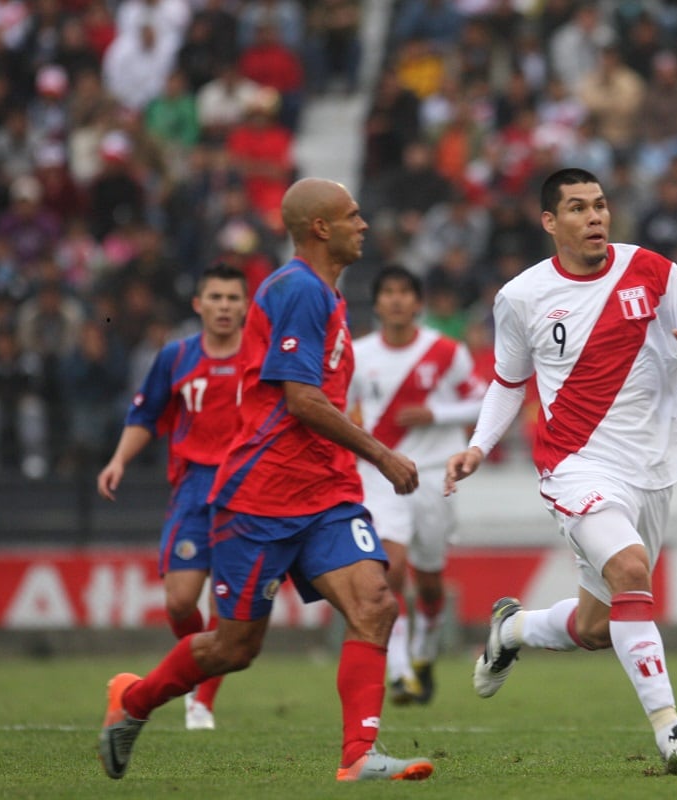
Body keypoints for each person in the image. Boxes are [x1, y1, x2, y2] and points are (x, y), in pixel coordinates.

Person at [97, 178, 434, 782]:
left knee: (376, 604)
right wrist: (382, 455)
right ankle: (134, 701)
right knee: (234, 648)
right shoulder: (298, 290)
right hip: (263, 496)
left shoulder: (327, 295)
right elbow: (301, 399)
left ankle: (358, 757)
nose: (364, 225)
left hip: (326, 493)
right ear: (321, 228)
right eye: (353, 216)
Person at [444, 167, 677, 772]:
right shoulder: (521, 297)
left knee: (598, 627)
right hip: (574, 466)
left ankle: (513, 630)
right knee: (631, 570)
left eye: (600, 205)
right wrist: (477, 446)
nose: (595, 217)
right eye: (578, 208)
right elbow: (507, 382)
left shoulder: (652, 271)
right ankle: (670, 730)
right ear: (550, 222)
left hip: (653, 467)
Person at [97, 263, 249, 731]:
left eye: (233, 298)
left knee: (229, 614)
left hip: (246, 490)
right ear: (198, 304)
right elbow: (145, 415)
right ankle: (194, 672)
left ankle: (200, 699)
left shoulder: (262, 358)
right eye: (216, 297)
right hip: (193, 488)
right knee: (181, 602)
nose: (224, 306)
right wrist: (119, 459)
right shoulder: (176, 356)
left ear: (246, 306)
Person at [346, 264, 484, 705]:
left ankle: (424, 654)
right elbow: (341, 412)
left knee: (428, 581)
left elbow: (486, 400)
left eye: (405, 291)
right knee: (389, 570)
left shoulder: (445, 352)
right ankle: (401, 671)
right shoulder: (358, 354)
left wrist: (436, 414)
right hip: (381, 473)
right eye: (388, 291)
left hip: (430, 475)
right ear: (378, 301)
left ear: (418, 302)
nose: (397, 299)